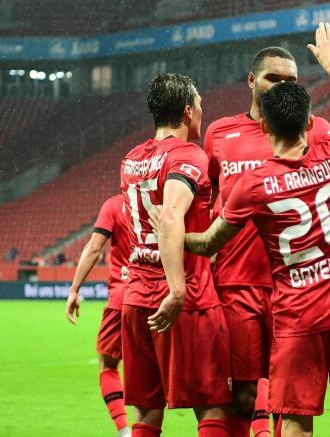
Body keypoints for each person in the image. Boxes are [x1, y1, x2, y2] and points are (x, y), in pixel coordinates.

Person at [170, 23, 330, 437]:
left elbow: (210, 237)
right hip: (254, 285)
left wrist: (169, 236)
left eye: (290, 80)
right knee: (253, 396)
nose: (281, 86)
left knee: (294, 413)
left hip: (292, 300)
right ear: (252, 80)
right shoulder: (329, 146)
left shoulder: (263, 176)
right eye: (273, 78)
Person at [120, 73, 232, 437]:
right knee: (212, 405)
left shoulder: (131, 160)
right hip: (184, 298)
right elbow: (169, 216)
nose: (201, 111)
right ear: (187, 111)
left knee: (147, 411)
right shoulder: (188, 155)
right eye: (199, 105)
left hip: (136, 297)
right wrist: (178, 290)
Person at [65, 194, 133, 437]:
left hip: (123, 297)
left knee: (108, 365)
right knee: (154, 374)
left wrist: (74, 289)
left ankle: (125, 432)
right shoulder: (166, 200)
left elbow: (94, 247)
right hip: (160, 295)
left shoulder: (115, 205)